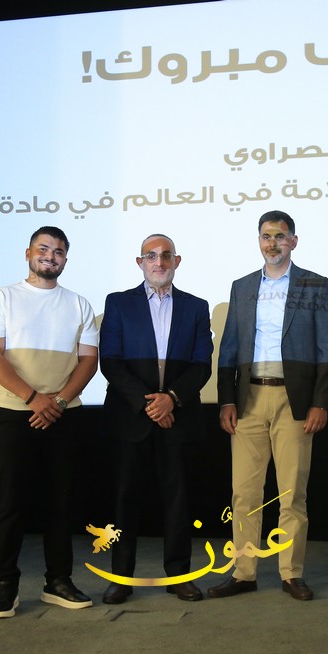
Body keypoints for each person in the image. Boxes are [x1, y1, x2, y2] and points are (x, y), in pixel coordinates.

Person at [210, 210, 328, 601]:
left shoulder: (314, 285)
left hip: (294, 400)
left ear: (293, 241)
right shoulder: (243, 286)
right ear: (259, 240)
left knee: (291, 493)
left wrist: (321, 402)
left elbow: (327, 350)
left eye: (280, 236)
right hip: (248, 399)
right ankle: (244, 572)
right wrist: (226, 398)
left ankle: (291, 573)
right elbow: (228, 348)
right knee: (244, 494)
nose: (273, 243)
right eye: (266, 236)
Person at [0, 226, 99, 618]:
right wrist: (34, 399)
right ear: (28, 253)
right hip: (15, 413)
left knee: (60, 502)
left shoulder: (78, 303)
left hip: (65, 415)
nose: (51, 256)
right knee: (12, 502)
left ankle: (58, 581)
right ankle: (5, 585)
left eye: (59, 251)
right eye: (43, 248)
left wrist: (57, 401)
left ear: (66, 259)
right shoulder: (1, 297)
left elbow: (89, 360)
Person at [98, 234, 213, 604]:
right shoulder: (118, 303)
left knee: (178, 500)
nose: (159, 262)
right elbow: (110, 361)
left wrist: (171, 400)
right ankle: (120, 577)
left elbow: (202, 364)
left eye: (166, 256)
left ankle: (179, 575)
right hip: (130, 417)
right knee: (124, 500)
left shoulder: (197, 307)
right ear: (140, 262)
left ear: (176, 261)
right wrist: (150, 404)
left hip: (179, 417)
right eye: (151, 256)